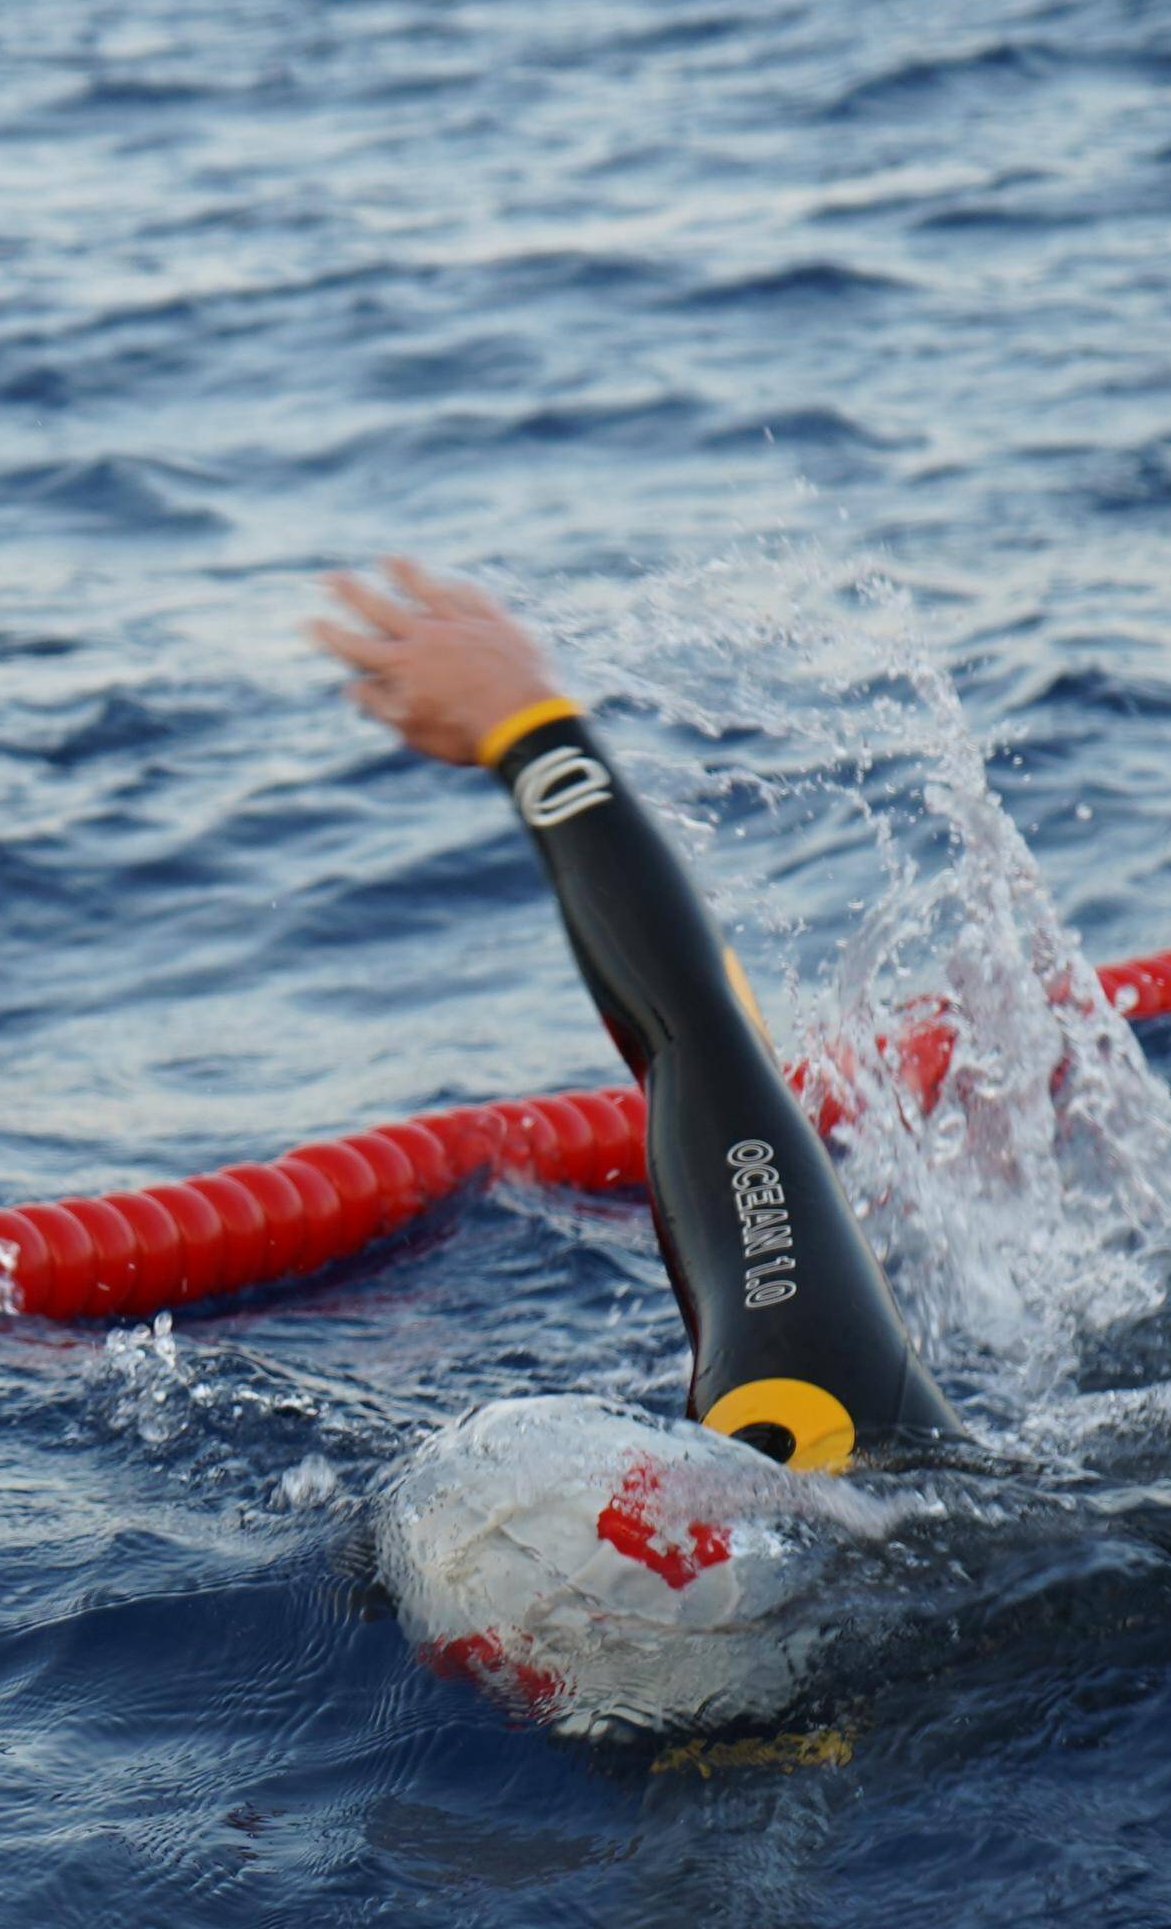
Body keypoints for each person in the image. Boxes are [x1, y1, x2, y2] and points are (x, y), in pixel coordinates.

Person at [310, 560, 955, 1471]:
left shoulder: (805, 1441)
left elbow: (695, 1033)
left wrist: (523, 725)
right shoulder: (818, 1438)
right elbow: (697, 1033)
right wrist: (520, 721)